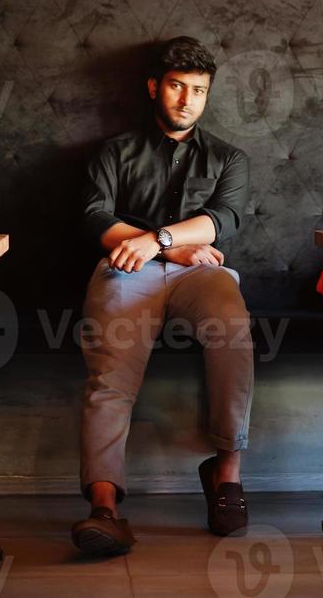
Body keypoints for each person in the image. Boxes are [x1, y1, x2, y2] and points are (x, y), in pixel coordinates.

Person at [71, 36, 253, 556]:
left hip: (200, 271)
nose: (186, 99)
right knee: (110, 372)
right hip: (128, 271)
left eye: (198, 90)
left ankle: (226, 473)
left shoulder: (228, 158)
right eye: (177, 86)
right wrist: (159, 251)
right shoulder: (114, 152)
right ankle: (104, 507)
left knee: (233, 330)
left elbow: (221, 222)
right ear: (155, 86)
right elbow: (93, 217)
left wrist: (160, 239)